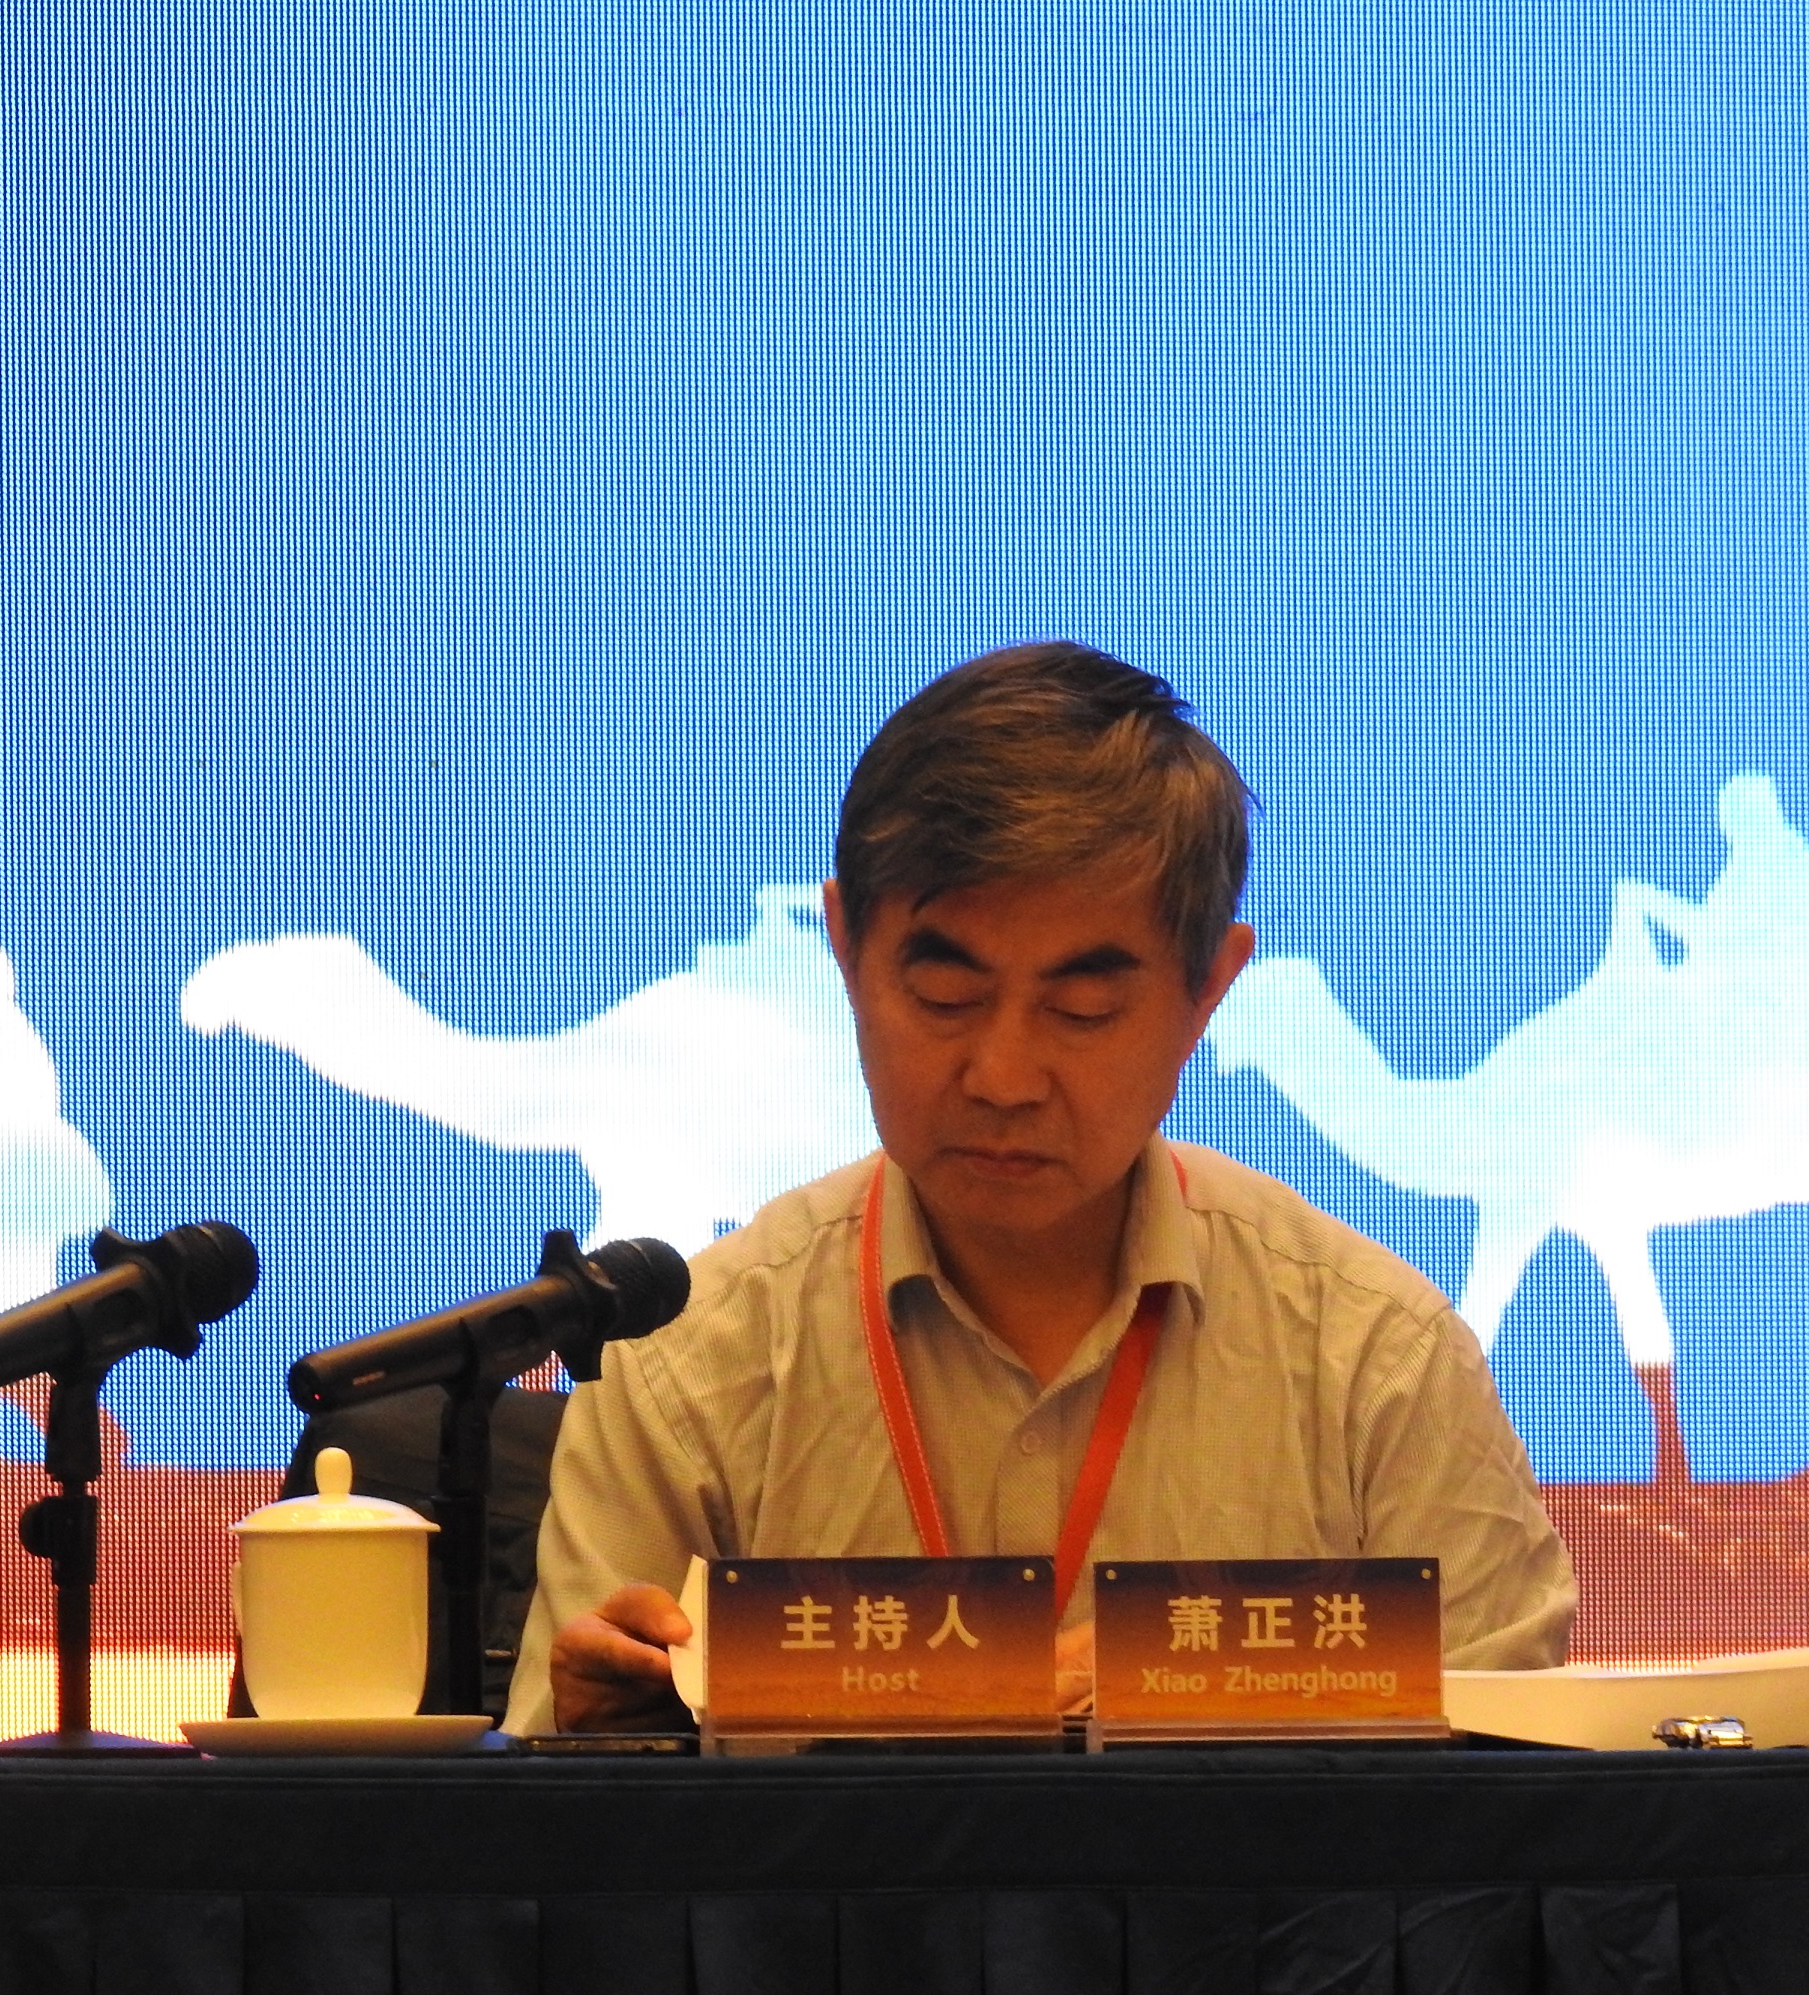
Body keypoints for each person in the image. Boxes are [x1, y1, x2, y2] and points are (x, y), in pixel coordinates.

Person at [503, 642, 1575, 1735]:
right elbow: (559, 1804)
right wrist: (607, 1750)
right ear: (845, 951)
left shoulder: (1375, 1358)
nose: (1003, 1078)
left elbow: (1519, 1771)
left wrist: (1188, 1678)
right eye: (945, 992)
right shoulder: (686, 1368)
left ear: (1208, 991)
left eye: (1081, 1011)